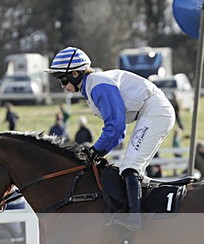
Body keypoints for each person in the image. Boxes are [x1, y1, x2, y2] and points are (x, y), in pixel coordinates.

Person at [48, 46, 175, 231]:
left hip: (155, 111)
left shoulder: (97, 85)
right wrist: (97, 150)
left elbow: (115, 126)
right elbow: (117, 130)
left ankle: (135, 219)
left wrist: (96, 150)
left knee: (131, 166)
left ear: (75, 73)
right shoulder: (93, 85)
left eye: (62, 79)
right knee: (129, 165)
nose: (62, 85)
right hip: (151, 111)